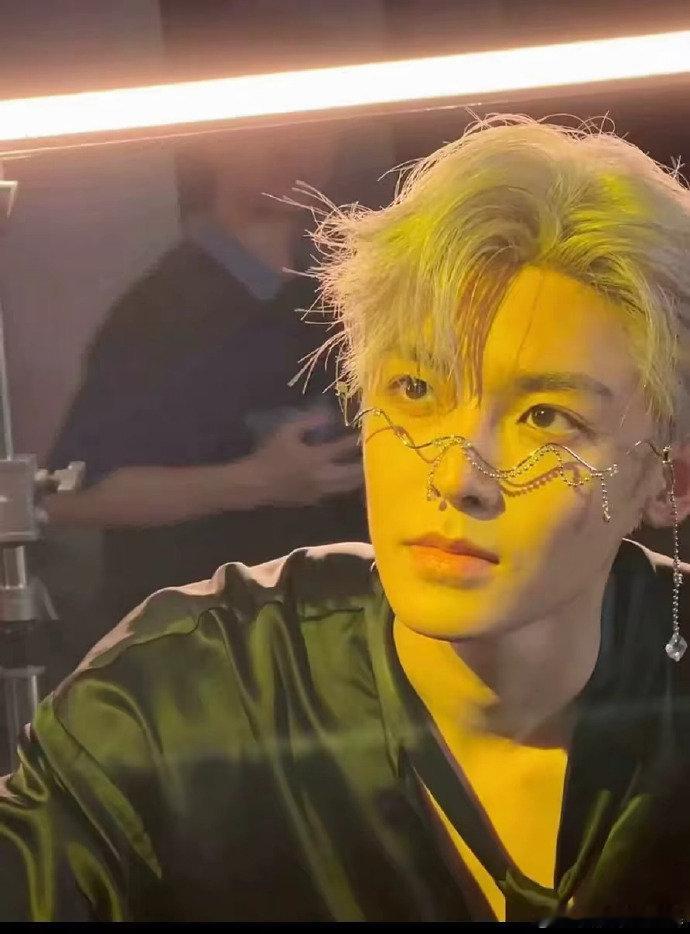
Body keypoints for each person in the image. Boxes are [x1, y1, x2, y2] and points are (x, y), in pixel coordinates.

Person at [3, 114, 690, 922]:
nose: (456, 477)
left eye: (545, 417)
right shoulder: (181, 703)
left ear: (672, 482)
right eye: (416, 391)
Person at [44, 124, 367, 625]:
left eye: (310, 125)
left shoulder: (351, 285)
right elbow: (70, 497)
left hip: (344, 622)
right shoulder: (160, 312)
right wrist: (258, 481)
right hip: (208, 637)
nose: (293, 144)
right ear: (211, 142)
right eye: (263, 128)